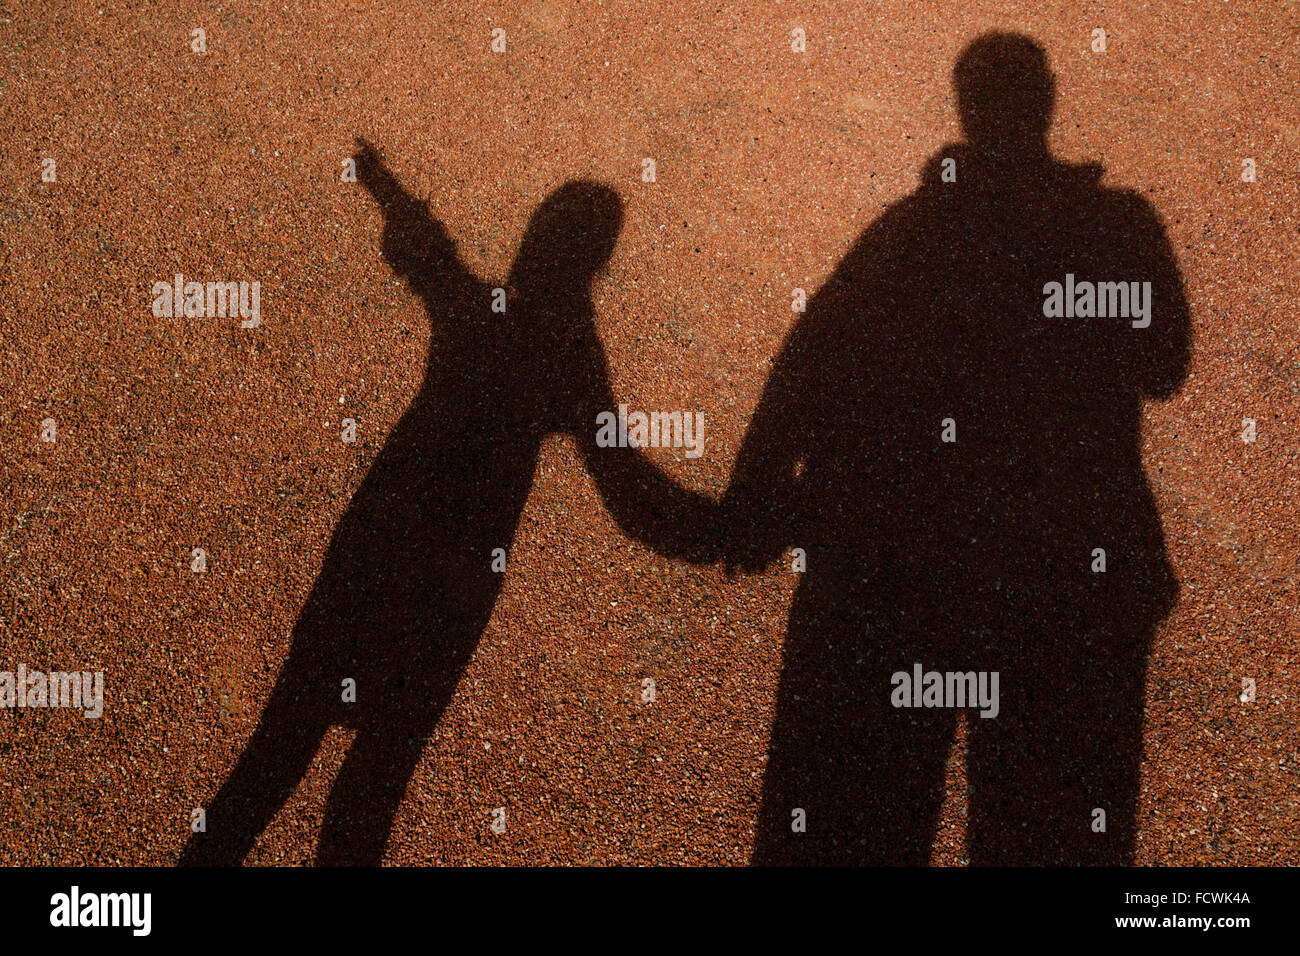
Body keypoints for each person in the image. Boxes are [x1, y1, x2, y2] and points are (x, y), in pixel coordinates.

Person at [724, 32, 1191, 864]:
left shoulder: (908, 235)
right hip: (1068, 588)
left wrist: (754, 494)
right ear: (1047, 103)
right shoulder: (1115, 229)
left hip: (905, 578)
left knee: (856, 827)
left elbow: (808, 360)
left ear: (965, 111)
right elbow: (1167, 365)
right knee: (1051, 839)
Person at [182, 141, 713, 865]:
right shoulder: (569, 359)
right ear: (596, 267)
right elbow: (632, 496)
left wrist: (384, 185)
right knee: (367, 795)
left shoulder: (484, 313)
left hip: (372, 557)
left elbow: (425, 252)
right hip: (447, 597)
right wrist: (727, 534)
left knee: (272, 759)